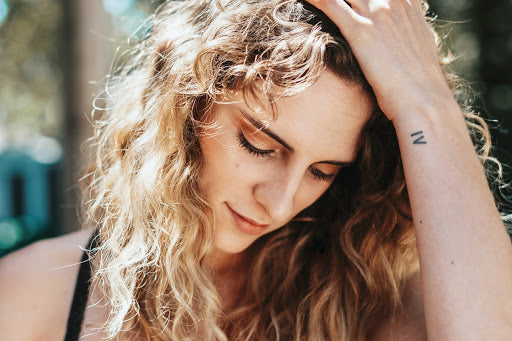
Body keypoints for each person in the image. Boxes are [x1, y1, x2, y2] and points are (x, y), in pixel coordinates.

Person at [1, 0, 511, 339]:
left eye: (323, 171)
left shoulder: (365, 299)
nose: (281, 202)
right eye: (260, 145)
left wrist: (425, 105)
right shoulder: (31, 294)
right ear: (189, 102)